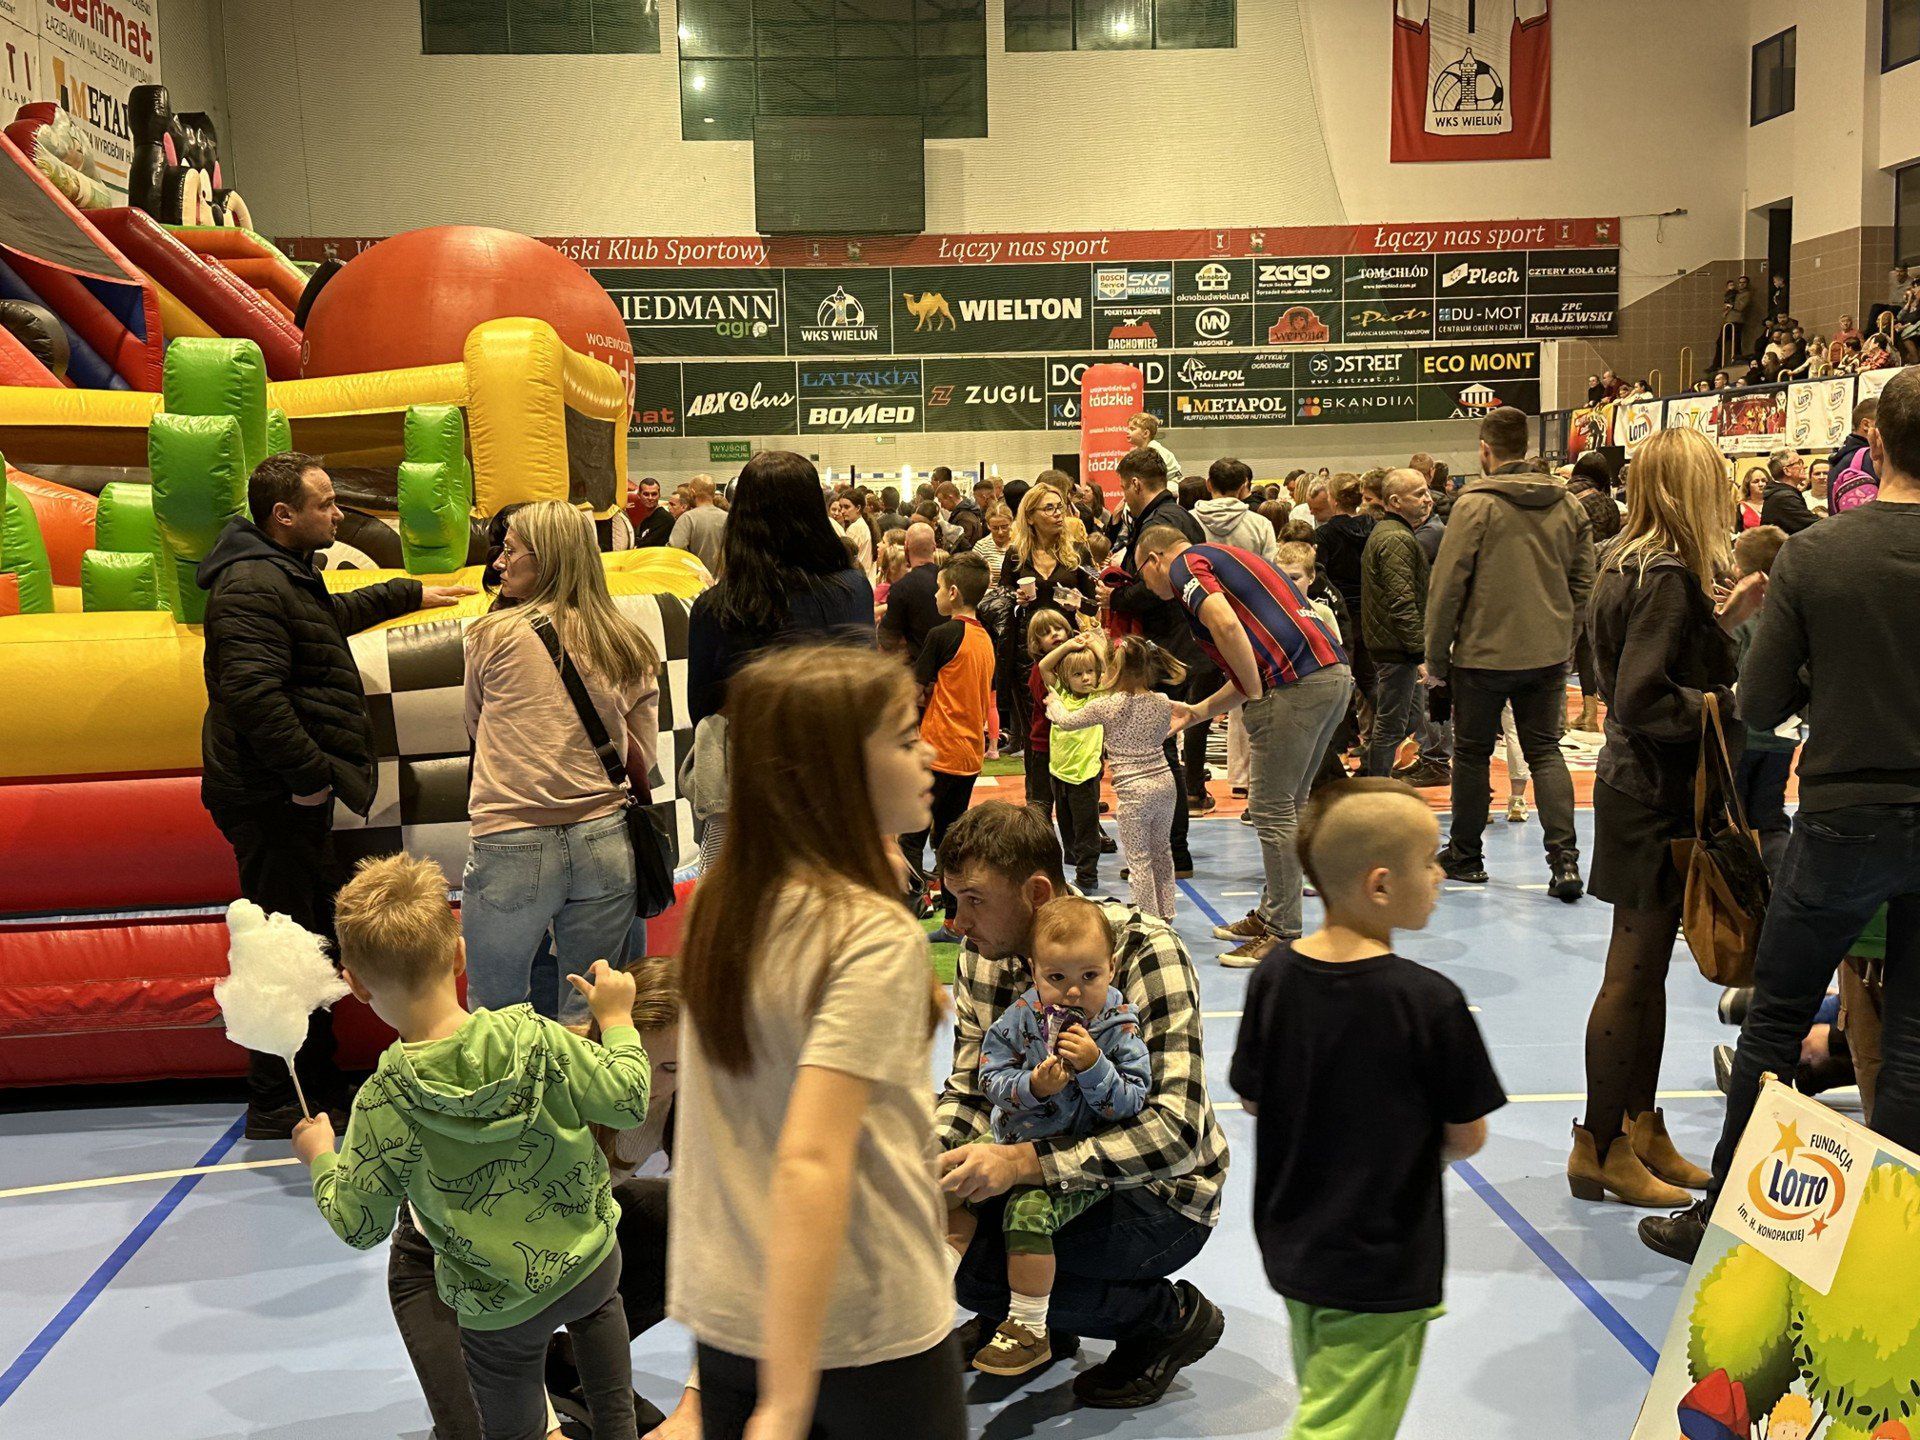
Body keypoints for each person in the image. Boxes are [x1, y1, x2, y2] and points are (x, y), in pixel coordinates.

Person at [1641, 366, 1920, 1262]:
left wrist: (1816, 677)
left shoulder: (1815, 553)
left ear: (1874, 442)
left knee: (1776, 1016)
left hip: (1845, 813)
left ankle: (1726, 1212)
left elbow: (1758, 702)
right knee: (1914, 1035)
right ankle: (1893, 1235)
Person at [669, 646, 965, 1440]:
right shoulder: (866, 936)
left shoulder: (722, 909)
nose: (928, 753)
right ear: (837, 772)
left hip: (734, 1313)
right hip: (858, 1327)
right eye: (905, 738)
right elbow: (812, 1159)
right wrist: (789, 1398)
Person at [293, 854, 651, 1440]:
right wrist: (616, 1020)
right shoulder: (536, 1035)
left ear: (354, 985)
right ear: (459, 954)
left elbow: (360, 1226)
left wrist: (321, 1159)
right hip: (592, 1268)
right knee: (615, 1411)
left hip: (498, 1309)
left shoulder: (384, 1101)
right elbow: (628, 1100)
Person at [197, 451, 468, 1136]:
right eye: (325, 504)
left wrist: (405, 594)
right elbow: (253, 696)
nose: (339, 514)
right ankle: (280, 1100)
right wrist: (309, 779)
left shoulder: (278, 573)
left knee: (304, 936)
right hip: (272, 799)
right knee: (282, 947)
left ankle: (310, 1086)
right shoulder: (251, 584)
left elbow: (320, 621)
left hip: (281, 796)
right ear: (283, 514)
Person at [1230, 780, 1503, 1440]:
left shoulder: (1273, 975)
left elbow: (1253, 1096)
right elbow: (1467, 1136)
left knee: (1328, 1397)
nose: (1439, 875)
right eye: (1429, 861)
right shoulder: (1430, 1001)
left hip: (1293, 1243)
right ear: (1380, 885)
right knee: (1342, 1428)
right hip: (1380, 1259)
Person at [935, 802, 1227, 1410]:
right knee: (928, 1232)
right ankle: (1039, 1321)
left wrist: (1025, 1164)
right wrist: (931, 1164)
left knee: (987, 1266)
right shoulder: (983, 955)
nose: (958, 923)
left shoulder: (1145, 950)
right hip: (1042, 1163)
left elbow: (1175, 1133)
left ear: (1037, 893)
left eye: (973, 900)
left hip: (1160, 1191)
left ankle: (1168, 1320)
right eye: (953, 901)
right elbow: (970, 1090)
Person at [1573, 427, 1766, 1208]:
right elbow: (1641, 696)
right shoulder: (1665, 577)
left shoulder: (1624, 563)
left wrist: (1722, 622)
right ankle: (1601, 1144)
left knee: (1644, 972)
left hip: (1637, 787)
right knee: (1631, 974)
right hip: (1652, 794)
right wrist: (1728, 703)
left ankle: (1639, 1129)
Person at [385, 956, 694, 1440]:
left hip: (558, 1247)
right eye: (639, 1059)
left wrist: (696, 1407)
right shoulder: (553, 1066)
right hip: (451, 1264)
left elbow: (739, 1250)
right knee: (479, 1431)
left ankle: (558, 1362)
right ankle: (541, 1374)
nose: (651, 1086)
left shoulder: (700, 1096)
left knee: (683, 1218)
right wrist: (547, 1430)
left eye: (672, 1066)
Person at [460, 500, 659, 1023]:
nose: (499, 563)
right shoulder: (626, 640)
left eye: (511, 551)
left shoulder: (490, 636)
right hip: (605, 837)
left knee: (496, 1013)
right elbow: (643, 754)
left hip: (511, 837)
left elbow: (476, 726)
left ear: (547, 559)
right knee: (590, 1013)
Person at [949, 896, 1152, 1376]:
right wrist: (1031, 1087)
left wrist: (1094, 1067)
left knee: (1026, 1214)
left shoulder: (1119, 1027)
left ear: (1112, 968)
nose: (1074, 992)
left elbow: (1132, 1102)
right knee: (952, 1187)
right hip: (1013, 1147)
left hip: (1080, 1164)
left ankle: (1030, 1327)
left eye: (1090, 976)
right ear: (1033, 971)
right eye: (1056, 977)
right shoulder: (1021, 1017)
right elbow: (988, 1079)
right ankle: (930, 1295)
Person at [1131, 526, 1352, 967]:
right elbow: (1249, 662)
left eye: (1142, 574)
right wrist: (1198, 711)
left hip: (1295, 687)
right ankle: (1274, 912)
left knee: (1271, 809)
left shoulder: (1184, 565)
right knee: (1289, 805)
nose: (1148, 587)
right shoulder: (1229, 557)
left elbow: (1226, 626)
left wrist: (1254, 691)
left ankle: (1282, 930)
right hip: (1330, 677)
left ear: (1154, 559)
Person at [1426, 406, 1595, 900]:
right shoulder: (1569, 505)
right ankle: (1564, 861)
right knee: (1545, 751)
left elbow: (1447, 587)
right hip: (1546, 654)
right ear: (1526, 447)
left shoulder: (1474, 506)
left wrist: (1435, 658)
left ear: (1485, 450)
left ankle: (1466, 855)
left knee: (1472, 754)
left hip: (1481, 654)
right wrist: (1565, 637)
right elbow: (1584, 582)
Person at [687, 452, 874, 727]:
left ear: (740, 517)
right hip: (846, 746)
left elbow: (702, 715)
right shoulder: (854, 588)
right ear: (815, 512)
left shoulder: (715, 608)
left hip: (755, 750)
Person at [1103, 448, 1205, 876]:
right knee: (1162, 750)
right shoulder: (1180, 517)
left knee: (1156, 753)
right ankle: (1170, 851)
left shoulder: (1159, 523)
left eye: (1123, 488)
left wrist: (1116, 596)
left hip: (1167, 645)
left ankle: (1170, 851)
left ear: (1134, 484)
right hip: (1181, 641)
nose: (1123, 497)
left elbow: (1159, 585)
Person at [1045, 635, 1187, 922]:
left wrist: (1055, 702)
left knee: (1139, 861)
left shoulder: (1108, 705)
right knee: (1162, 853)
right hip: (1165, 784)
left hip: (1135, 792)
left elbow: (1067, 721)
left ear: (1115, 669)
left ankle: (1148, 923)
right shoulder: (1162, 701)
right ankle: (1167, 915)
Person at [900, 554, 995, 921]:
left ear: (953, 592)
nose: (935, 595)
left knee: (912, 835)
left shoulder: (942, 635)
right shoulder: (985, 639)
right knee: (950, 839)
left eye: (939, 588)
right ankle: (956, 918)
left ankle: (912, 907)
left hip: (939, 750)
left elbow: (914, 690)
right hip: (968, 754)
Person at [1357, 470, 1433, 779]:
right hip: (1396, 648)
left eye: (1427, 491)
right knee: (1391, 726)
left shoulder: (1393, 533)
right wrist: (1418, 652)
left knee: (1407, 719)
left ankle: (1371, 776)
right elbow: (1401, 601)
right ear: (1395, 501)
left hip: (1395, 645)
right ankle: (1377, 787)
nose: (1427, 499)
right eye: (1418, 494)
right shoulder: (1396, 538)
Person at [1729, 524, 1796, 875]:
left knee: (1733, 818)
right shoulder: (1792, 612)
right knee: (1770, 818)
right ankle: (1779, 887)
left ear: (1741, 570)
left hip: (1741, 733)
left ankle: (1739, 896)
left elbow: (1726, 669)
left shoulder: (1742, 616)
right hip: (1783, 734)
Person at [1036, 629, 1107, 893]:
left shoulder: (1099, 697)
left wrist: (1093, 646)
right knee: (1066, 828)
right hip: (1059, 774)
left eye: (1090, 672)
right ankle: (1074, 868)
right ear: (1066, 678)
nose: (1086, 678)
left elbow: (1108, 668)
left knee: (1086, 830)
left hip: (1085, 776)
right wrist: (1068, 645)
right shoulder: (1060, 694)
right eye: (1078, 674)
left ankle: (1088, 877)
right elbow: (1044, 666)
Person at [1567, 451, 1622, 734]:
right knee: (1594, 645)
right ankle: (1591, 713)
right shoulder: (1610, 504)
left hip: (1571, 579)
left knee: (1569, 645)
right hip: (1604, 580)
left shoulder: (1566, 498)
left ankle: (1561, 714)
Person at [880, 520, 948, 663]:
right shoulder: (952, 581)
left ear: (906, 548)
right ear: (934, 547)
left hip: (918, 668)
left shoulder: (901, 588)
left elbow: (887, 640)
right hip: (953, 665)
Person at [667, 474, 726, 573]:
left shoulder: (687, 518)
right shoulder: (727, 518)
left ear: (693, 492)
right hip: (724, 579)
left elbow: (674, 551)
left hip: (696, 579)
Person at [1759, 448, 1818, 534]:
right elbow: (1813, 526)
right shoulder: (1784, 498)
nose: (1805, 466)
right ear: (1787, 471)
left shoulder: (1780, 494)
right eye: (1799, 463)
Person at [1126, 412, 1181, 485]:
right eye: (1128, 429)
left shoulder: (1155, 451)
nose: (1127, 432)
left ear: (1146, 433)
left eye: (1132, 429)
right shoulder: (1136, 451)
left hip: (1172, 484)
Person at [828, 491, 873, 574]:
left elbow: (847, 558)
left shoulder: (855, 528)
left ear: (858, 508)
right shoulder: (860, 524)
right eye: (841, 507)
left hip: (856, 574)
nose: (842, 511)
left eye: (846, 507)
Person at [627, 477, 674, 549]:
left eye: (654, 494)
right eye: (646, 494)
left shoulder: (665, 519)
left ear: (659, 495)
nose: (650, 498)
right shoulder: (645, 520)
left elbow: (647, 547)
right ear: (639, 495)